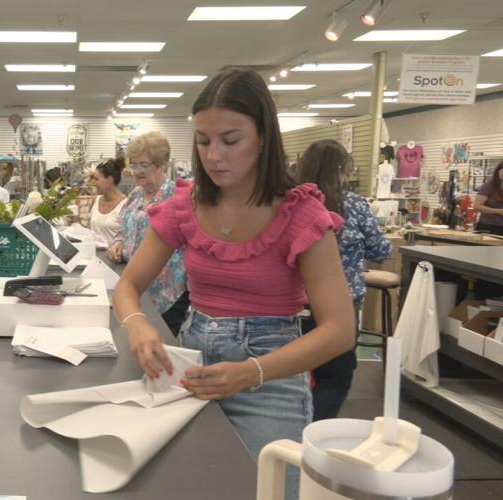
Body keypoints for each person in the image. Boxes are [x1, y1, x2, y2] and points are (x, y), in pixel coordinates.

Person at [112, 69, 354, 498]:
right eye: (203, 141)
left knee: (260, 489)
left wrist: (249, 372)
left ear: (263, 137)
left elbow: (339, 330)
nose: (214, 155)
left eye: (230, 140)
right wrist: (137, 324)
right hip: (191, 366)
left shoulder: (301, 214)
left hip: (270, 377)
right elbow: (128, 285)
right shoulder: (186, 206)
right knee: (183, 485)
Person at [296, 139, 393, 420]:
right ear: (341, 171)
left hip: (294, 303)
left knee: (287, 374)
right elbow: (380, 250)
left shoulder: (291, 202)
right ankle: (314, 432)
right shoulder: (355, 205)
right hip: (341, 304)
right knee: (334, 377)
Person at [107, 131, 189, 336]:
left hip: (166, 293)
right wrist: (117, 242)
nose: (137, 171)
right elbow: (123, 227)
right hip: (134, 287)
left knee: (160, 349)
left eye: (144, 165)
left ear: (162, 164)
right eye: (133, 165)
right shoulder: (136, 194)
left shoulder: (177, 198)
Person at [88, 158, 127, 245]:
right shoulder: (96, 200)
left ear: (110, 180)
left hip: (113, 256)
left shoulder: (126, 205)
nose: (93, 183)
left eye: (96, 179)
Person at [474, 160, 503, 236]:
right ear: (498, 172)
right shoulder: (488, 186)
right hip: (488, 227)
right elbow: (477, 207)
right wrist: (499, 211)